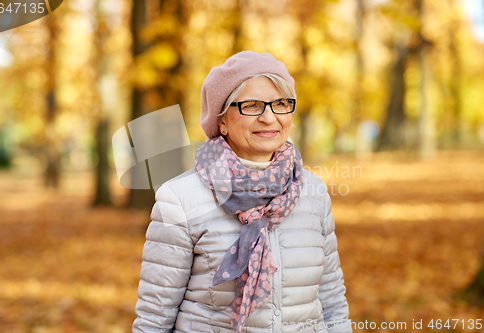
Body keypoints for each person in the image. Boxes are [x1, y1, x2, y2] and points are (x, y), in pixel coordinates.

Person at [133, 51, 352, 333]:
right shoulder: (179, 198)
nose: (269, 117)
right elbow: (154, 319)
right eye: (252, 105)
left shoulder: (313, 193)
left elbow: (332, 300)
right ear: (221, 121)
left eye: (281, 104)